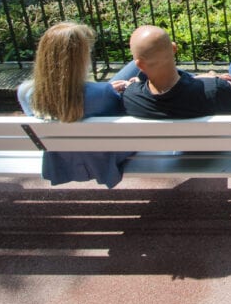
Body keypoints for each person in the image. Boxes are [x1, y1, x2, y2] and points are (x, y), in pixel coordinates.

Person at [17, 21, 140, 187]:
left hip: (63, 156)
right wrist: (133, 87)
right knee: (140, 63)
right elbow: (128, 115)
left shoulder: (26, 92)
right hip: (105, 156)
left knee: (136, 64)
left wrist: (106, 89)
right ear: (81, 59)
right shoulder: (101, 94)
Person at [121, 25, 231, 130]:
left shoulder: (131, 98)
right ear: (174, 48)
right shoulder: (215, 90)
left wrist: (200, 79)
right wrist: (214, 79)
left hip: (180, 146)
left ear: (139, 65)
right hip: (228, 136)